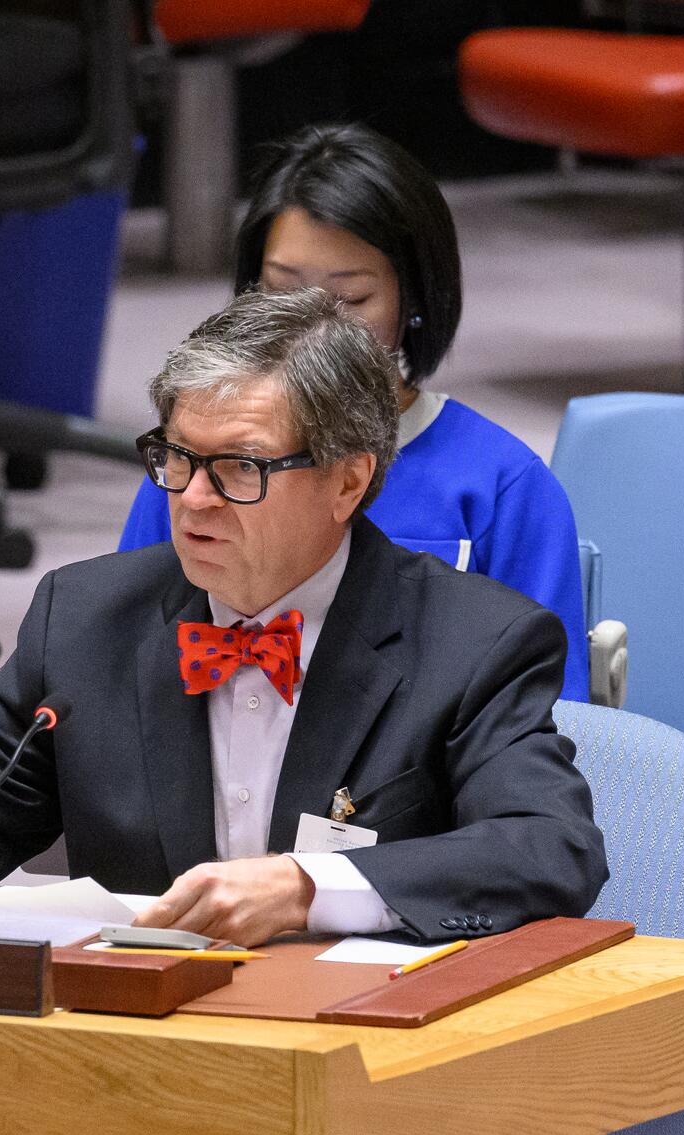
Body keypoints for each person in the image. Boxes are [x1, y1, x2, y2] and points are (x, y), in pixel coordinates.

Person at [0, 286, 606, 945]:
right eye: (177, 457)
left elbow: (548, 846)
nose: (191, 498)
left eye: (239, 467)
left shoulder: (472, 641)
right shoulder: (86, 620)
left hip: (369, 1057)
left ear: (348, 482)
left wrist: (310, 887)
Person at [116, 123, 591, 701]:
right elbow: (124, 662)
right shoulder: (193, 471)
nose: (311, 326)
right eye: (281, 292)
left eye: (350, 300)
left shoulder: (504, 489)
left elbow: (548, 720)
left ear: (414, 298)